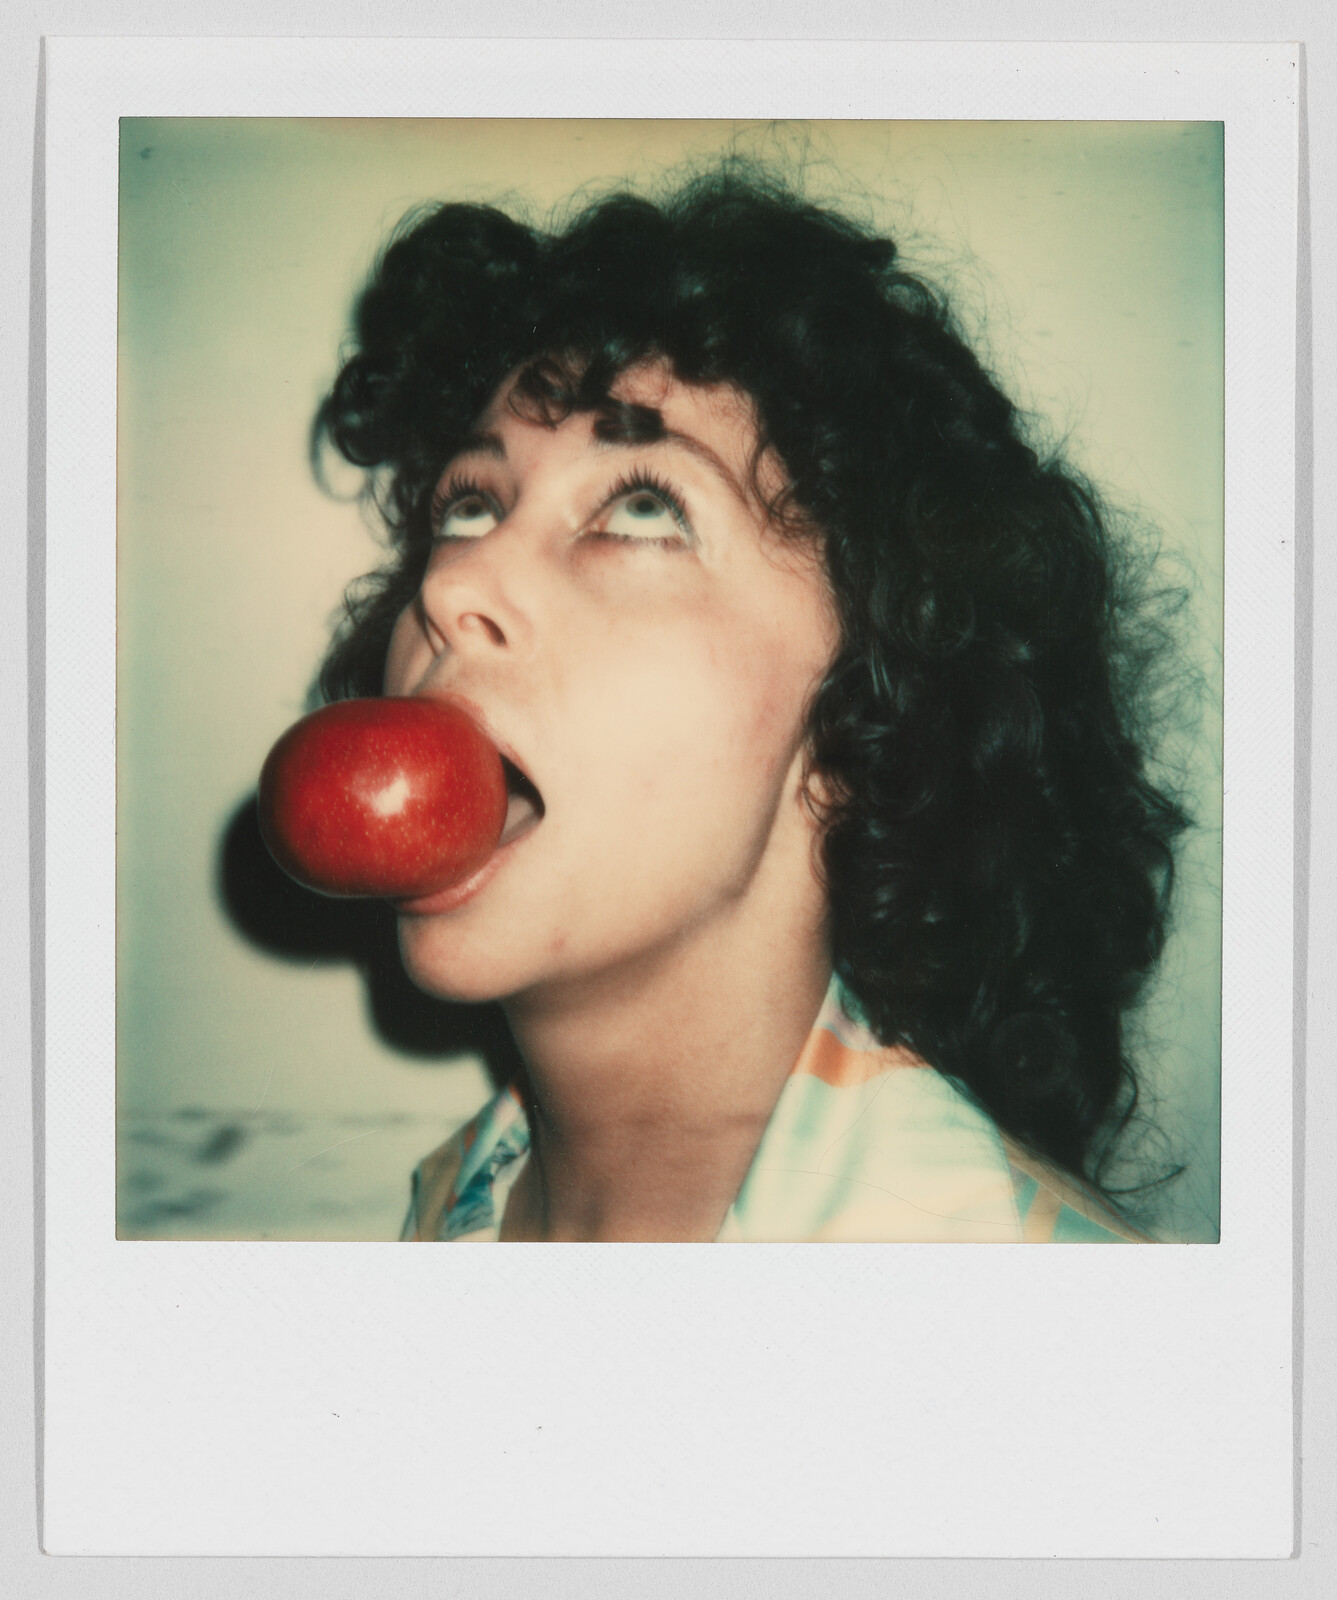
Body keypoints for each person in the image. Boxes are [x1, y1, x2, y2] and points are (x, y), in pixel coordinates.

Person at [311, 162, 1189, 1243]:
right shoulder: (448, 1201)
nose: (450, 585)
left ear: (863, 720)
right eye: (469, 505)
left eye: (640, 507)